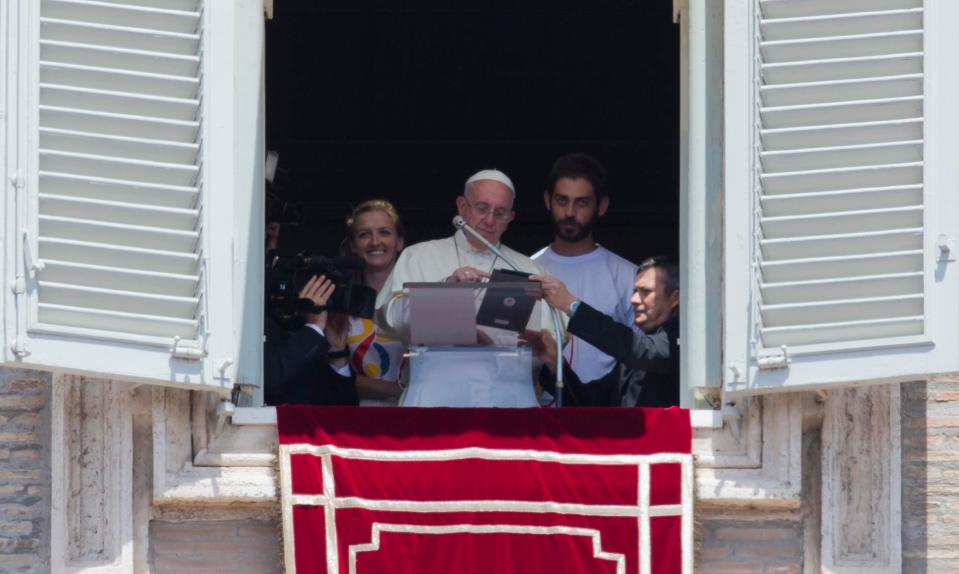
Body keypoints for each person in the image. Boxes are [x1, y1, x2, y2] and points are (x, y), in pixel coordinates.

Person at [375, 169, 553, 338]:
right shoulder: (418, 256)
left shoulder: (527, 268)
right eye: (482, 209)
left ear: (510, 217)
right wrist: (445, 289)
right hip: (437, 369)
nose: (490, 221)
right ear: (461, 206)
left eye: (500, 213)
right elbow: (389, 323)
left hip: (505, 370)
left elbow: (549, 339)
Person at [531, 153, 639, 392]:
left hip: (605, 418)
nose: (570, 212)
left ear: (601, 206)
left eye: (581, 202)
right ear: (547, 201)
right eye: (561, 200)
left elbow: (643, 355)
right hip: (537, 415)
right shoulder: (526, 270)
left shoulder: (628, 276)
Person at [531, 256, 680, 407]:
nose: (633, 299)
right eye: (635, 291)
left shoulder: (687, 341)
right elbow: (588, 403)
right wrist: (555, 363)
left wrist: (572, 306)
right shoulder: (632, 358)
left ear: (675, 297)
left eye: (645, 291)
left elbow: (642, 350)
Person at [328, 199, 407, 405]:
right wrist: (395, 390)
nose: (375, 242)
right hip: (359, 422)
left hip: (415, 419)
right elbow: (331, 377)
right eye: (364, 234)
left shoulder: (414, 300)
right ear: (353, 245)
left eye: (384, 232)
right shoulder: (338, 302)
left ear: (400, 242)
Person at [264, 275, 358, 406]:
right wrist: (314, 327)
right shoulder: (258, 321)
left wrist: (337, 351)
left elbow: (346, 413)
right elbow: (271, 378)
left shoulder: (314, 337)